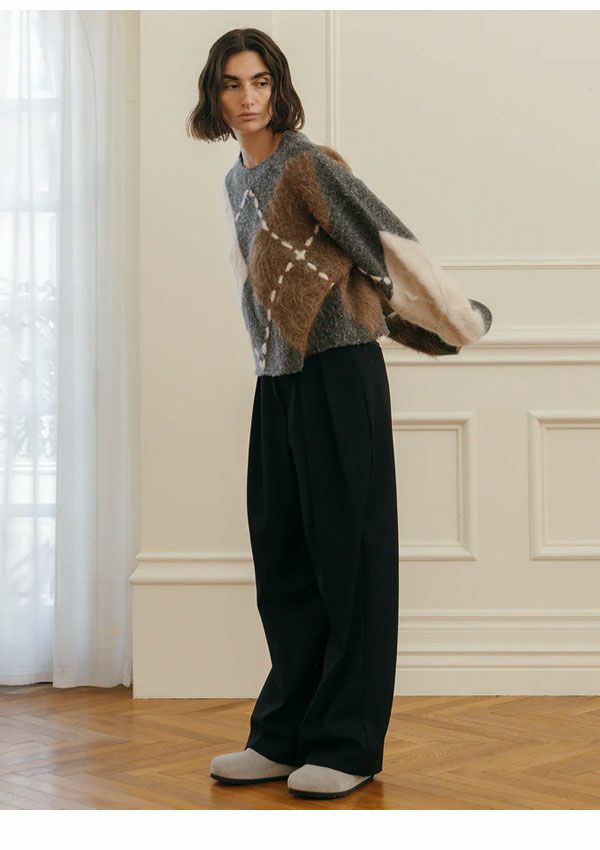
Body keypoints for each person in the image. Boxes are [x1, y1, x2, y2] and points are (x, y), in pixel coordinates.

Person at [186, 27, 492, 801]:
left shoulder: (307, 165)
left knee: (350, 560)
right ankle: (283, 734)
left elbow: (384, 242)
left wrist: (453, 319)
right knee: (283, 558)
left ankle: (347, 743)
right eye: (232, 83)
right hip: (278, 378)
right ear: (214, 95)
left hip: (338, 372)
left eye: (260, 81)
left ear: (279, 87)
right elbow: (256, 283)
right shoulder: (235, 180)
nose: (248, 97)